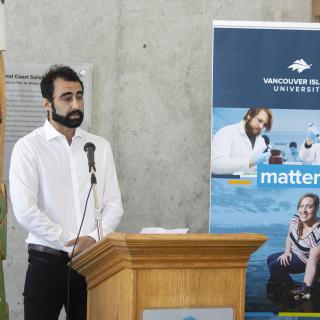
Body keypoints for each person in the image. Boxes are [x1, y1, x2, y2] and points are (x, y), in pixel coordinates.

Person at [9, 65, 124, 320]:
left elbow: (114, 205)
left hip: (92, 265)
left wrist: (92, 239)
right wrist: (70, 241)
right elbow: (26, 211)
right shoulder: (28, 148)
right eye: (67, 97)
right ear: (47, 104)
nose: (76, 104)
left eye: (79, 96)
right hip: (46, 265)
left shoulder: (99, 147)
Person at [267, 193, 320, 301]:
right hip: (295, 253)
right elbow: (289, 236)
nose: (304, 210)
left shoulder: (318, 231)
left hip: (307, 259)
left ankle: (293, 290)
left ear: (316, 208)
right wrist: (287, 252)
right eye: (301, 206)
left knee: (275, 266)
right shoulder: (296, 218)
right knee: (270, 259)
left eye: (309, 206)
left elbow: (312, 262)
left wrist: (306, 287)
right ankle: (278, 284)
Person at [211, 107, 273, 174]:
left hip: (252, 184)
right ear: (249, 115)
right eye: (260, 121)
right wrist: (250, 162)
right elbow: (215, 165)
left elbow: (258, 169)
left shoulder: (261, 141)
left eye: (264, 125)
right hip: (229, 183)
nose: (261, 126)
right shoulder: (226, 132)